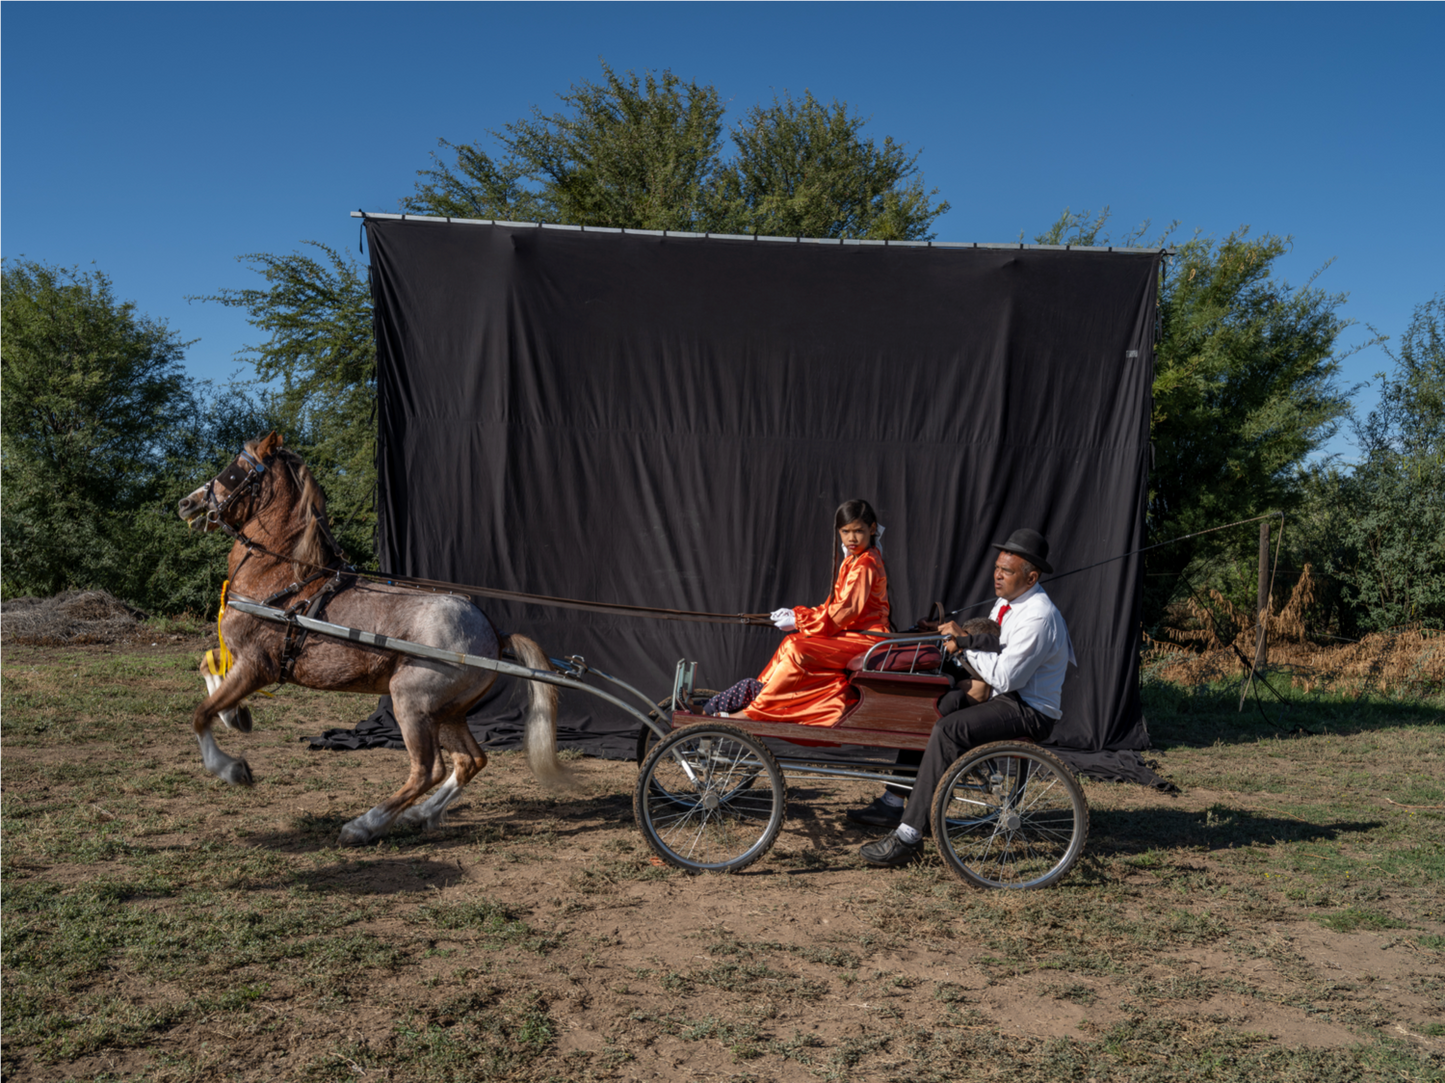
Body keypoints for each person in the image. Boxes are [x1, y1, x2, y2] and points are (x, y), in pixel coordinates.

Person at [857, 528, 1076, 867]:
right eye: (996, 568)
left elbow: (1005, 676)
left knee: (949, 730)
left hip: (1028, 707)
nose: (997, 575)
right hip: (1003, 695)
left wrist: (961, 644)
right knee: (929, 710)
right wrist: (946, 630)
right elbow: (988, 643)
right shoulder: (1008, 602)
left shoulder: (1039, 617)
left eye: (1007, 571)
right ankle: (893, 799)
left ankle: (908, 837)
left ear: (1031, 577)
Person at [731, 499, 891, 726]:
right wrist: (798, 614)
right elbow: (833, 606)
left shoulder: (866, 563)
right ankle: (757, 697)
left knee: (798, 649)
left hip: (868, 638)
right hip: (852, 633)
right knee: (790, 643)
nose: (851, 539)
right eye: (845, 532)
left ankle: (756, 712)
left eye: (858, 531)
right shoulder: (852, 561)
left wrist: (799, 620)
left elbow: (845, 611)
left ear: (872, 529)